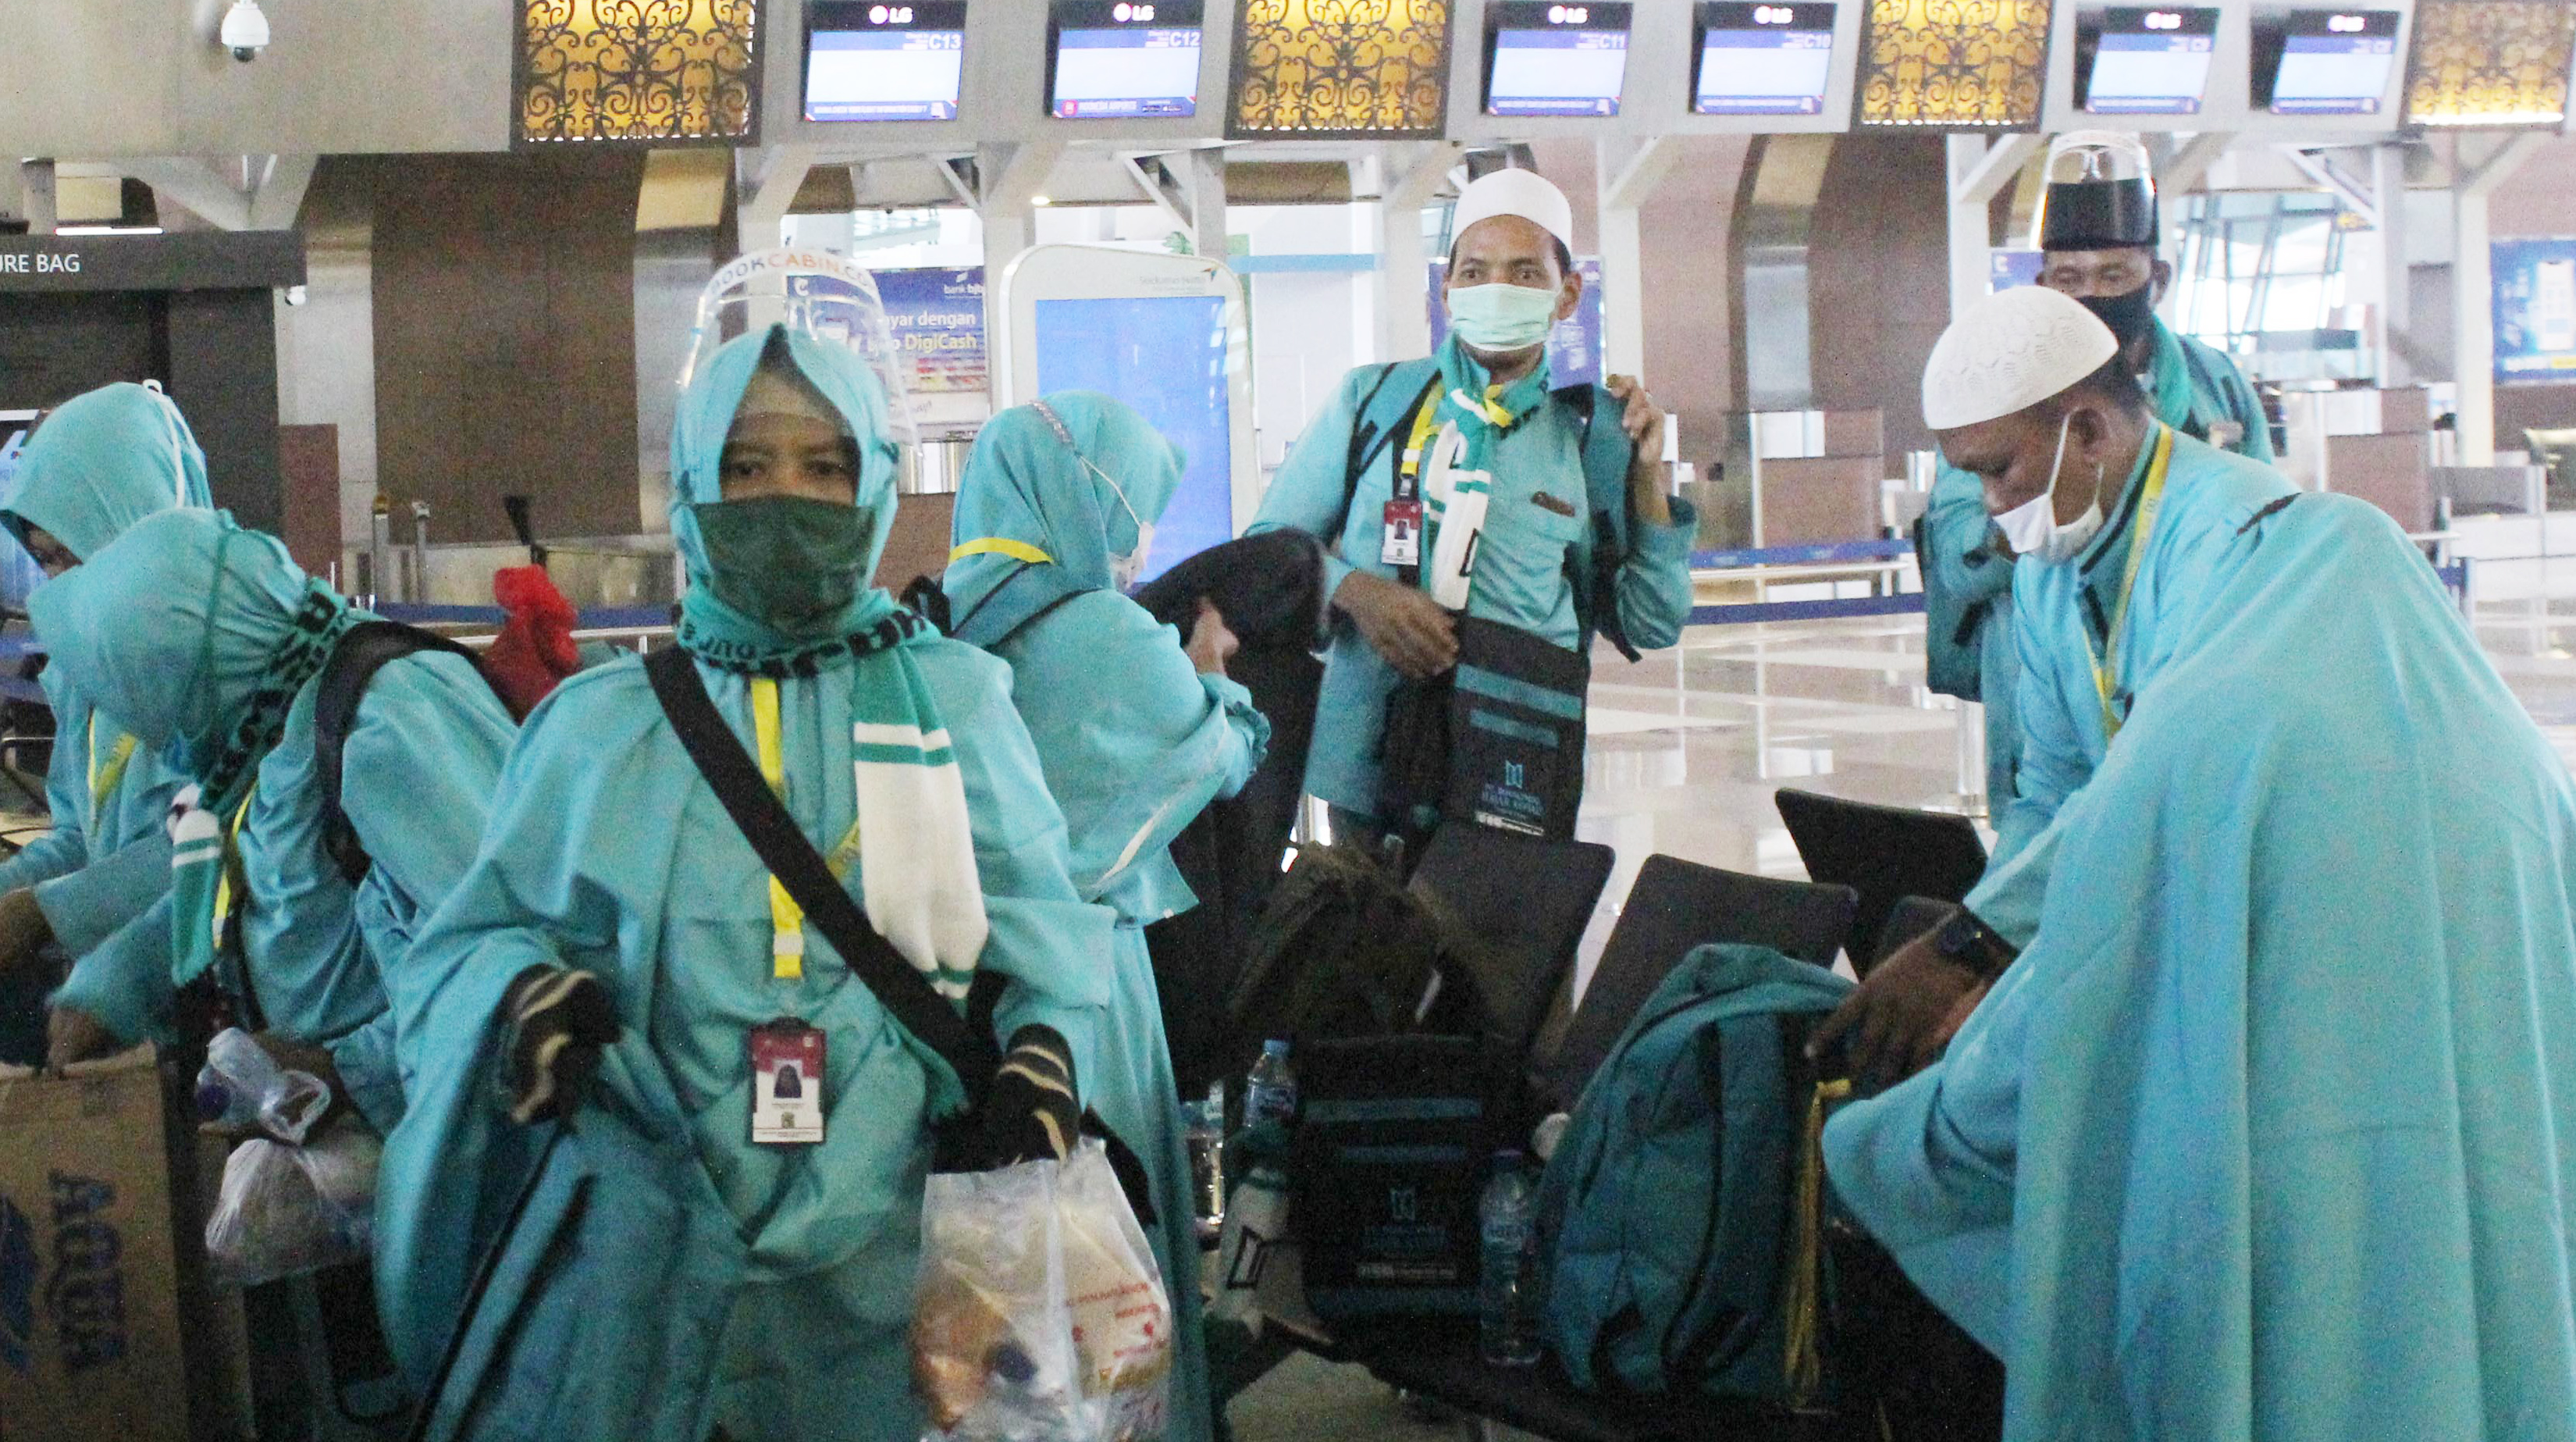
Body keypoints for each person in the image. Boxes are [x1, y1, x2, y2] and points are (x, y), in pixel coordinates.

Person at [373, 326, 1124, 1441]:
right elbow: (470, 940)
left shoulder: (957, 703)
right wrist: (518, 997)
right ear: (689, 483)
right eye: (746, 466)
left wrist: (1046, 1046)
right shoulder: (598, 730)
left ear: (873, 481)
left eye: (825, 466)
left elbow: (1045, 937)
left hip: (896, 1252)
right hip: (655, 1260)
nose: (788, 494)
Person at [1823, 489, 2576, 1439]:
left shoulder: (2205, 755)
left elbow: (2080, 1001)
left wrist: (1885, 1141)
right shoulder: (2532, 786)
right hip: (2489, 1236)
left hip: (2286, 1243)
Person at [1818, 287, 2295, 1085]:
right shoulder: (2051, 564)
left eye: (2000, 470)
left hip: (2264, 913)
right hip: (2154, 902)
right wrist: (1988, 953)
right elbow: (2048, 790)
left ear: (2092, 430)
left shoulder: (2230, 535)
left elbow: (2175, 783)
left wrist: (1970, 945)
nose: (1995, 506)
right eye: (1972, 479)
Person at [944, 392, 1272, 1442]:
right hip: (1087, 977)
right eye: (1130, 522)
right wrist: (1214, 679)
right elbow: (1219, 757)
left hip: (966, 981)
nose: (1133, 552)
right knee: (1109, 1222)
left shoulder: (940, 613)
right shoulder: (1105, 630)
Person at [1246, 167, 1696, 846]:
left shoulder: (1590, 433)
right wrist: (1359, 591)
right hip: (1370, 771)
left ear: (1567, 294)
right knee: (1366, 949)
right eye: (1475, 271)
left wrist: (1645, 478)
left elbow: (1653, 623)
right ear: (1448, 288)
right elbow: (1268, 548)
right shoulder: (1375, 402)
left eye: (1523, 273)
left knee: (1501, 953)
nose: (1496, 290)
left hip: (1515, 767)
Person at [30, 508, 517, 1131]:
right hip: (359, 1132)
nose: (168, 745)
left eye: (166, 707)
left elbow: (503, 970)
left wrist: (337, 1074)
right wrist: (115, 985)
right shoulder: (272, 720)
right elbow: (241, 887)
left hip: (442, 1142)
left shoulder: (382, 726)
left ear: (198, 668)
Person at [1921, 131, 2273, 809]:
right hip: (2042, 693)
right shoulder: (1994, 393)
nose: (2091, 296)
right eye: (2070, 280)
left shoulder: (2215, 387)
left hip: (2194, 696)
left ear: (2157, 279)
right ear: (2042, 285)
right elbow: (1960, 557)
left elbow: (2263, 537)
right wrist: (2038, 513)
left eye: (2114, 277)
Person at [0, 383, 205, 1066]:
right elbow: (82, 838)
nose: (63, 585)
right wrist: (15, 894)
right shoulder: (90, 676)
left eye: (74, 553)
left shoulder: (221, 674)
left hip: (227, 1013)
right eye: (48, 560)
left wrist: (47, 914)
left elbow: (224, 851)